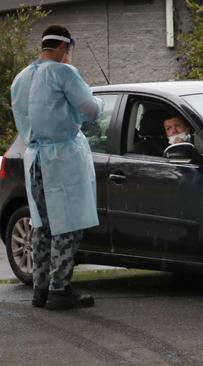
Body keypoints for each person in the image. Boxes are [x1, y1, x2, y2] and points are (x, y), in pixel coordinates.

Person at [10, 25, 104, 310]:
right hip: (62, 158)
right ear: (65, 48)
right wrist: (98, 101)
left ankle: (40, 288)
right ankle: (60, 289)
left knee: (42, 225)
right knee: (68, 225)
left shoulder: (21, 78)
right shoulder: (64, 72)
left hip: (34, 157)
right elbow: (91, 109)